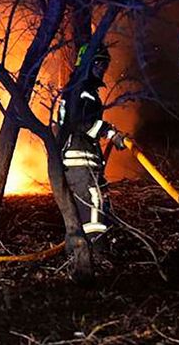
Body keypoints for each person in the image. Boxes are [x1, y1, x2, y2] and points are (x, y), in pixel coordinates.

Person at [57, 44, 128, 248]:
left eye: (104, 64)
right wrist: (110, 132)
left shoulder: (79, 88)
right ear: (87, 63)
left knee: (94, 201)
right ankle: (95, 250)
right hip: (78, 156)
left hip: (81, 156)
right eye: (98, 62)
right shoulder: (82, 89)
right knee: (92, 201)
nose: (102, 68)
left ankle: (83, 250)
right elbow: (80, 122)